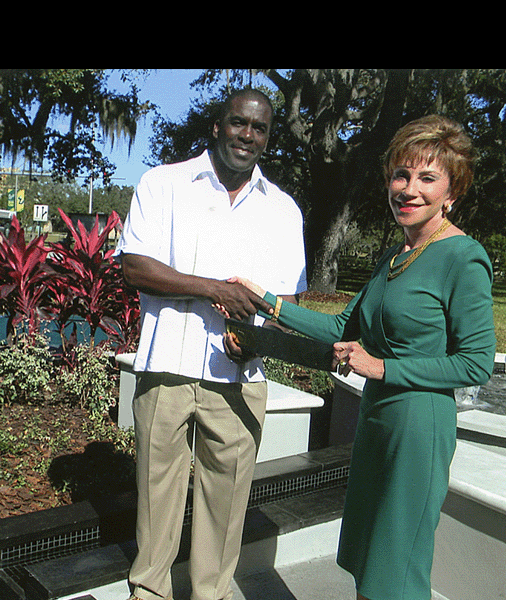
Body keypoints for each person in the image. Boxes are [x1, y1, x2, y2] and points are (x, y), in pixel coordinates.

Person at [226, 114, 496, 600]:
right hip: (377, 419)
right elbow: (340, 328)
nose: (409, 189)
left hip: (417, 426)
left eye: (427, 178)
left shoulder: (464, 257)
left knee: (397, 565)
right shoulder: (393, 257)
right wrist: (266, 301)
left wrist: (381, 367)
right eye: (401, 175)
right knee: (367, 556)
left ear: (451, 193)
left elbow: (476, 363)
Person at [115, 88, 307, 600]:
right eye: (238, 122)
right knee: (155, 496)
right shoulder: (164, 184)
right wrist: (215, 289)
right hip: (167, 367)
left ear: (268, 137)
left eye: (259, 128)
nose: (247, 135)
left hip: (239, 378)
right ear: (217, 126)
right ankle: (149, 593)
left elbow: (285, 304)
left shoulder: (283, 210)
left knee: (226, 504)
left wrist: (256, 342)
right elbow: (135, 267)